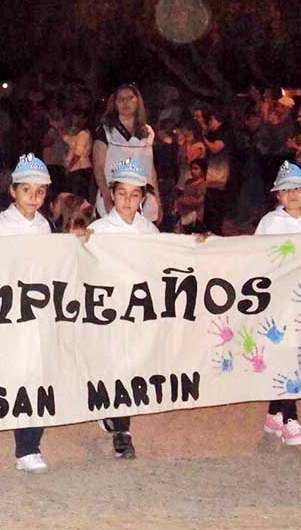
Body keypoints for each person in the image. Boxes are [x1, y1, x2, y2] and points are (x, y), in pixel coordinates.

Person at [0, 153, 53, 472]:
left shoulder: (45, 226)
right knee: (4, 370)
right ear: (13, 191)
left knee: (34, 376)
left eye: (39, 192)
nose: (33, 198)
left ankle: (28, 448)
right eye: (27, 191)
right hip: (6, 311)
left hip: (34, 313)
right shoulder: (0, 224)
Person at [87, 157, 159, 459]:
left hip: (139, 311)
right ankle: (122, 430)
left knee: (132, 368)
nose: (127, 201)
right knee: (117, 366)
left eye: (134, 195)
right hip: (109, 312)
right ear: (111, 195)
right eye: (121, 194)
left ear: (142, 198)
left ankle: (115, 415)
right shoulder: (98, 229)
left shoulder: (151, 232)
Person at [257, 161, 301, 445]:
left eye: (298, 188)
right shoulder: (271, 223)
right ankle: (290, 417)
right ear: (278, 196)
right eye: (286, 190)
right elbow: (254, 256)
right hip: (281, 302)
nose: (293, 194)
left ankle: (275, 412)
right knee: (286, 355)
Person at [92, 84, 161, 223]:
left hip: (144, 199)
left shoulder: (147, 132)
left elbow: (151, 169)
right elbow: (98, 166)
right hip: (115, 197)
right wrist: (106, 195)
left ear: (138, 101)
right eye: (121, 99)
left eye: (130, 98)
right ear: (115, 104)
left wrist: (158, 200)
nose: (126, 102)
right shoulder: (106, 131)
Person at [174, 158, 207, 234]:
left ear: (203, 170)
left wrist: (187, 201)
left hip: (196, 216)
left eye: (196, 169)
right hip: (184, 214)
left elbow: (201, 200)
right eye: (191, 168)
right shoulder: (188, 182)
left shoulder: (203, 184)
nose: (193, 171)